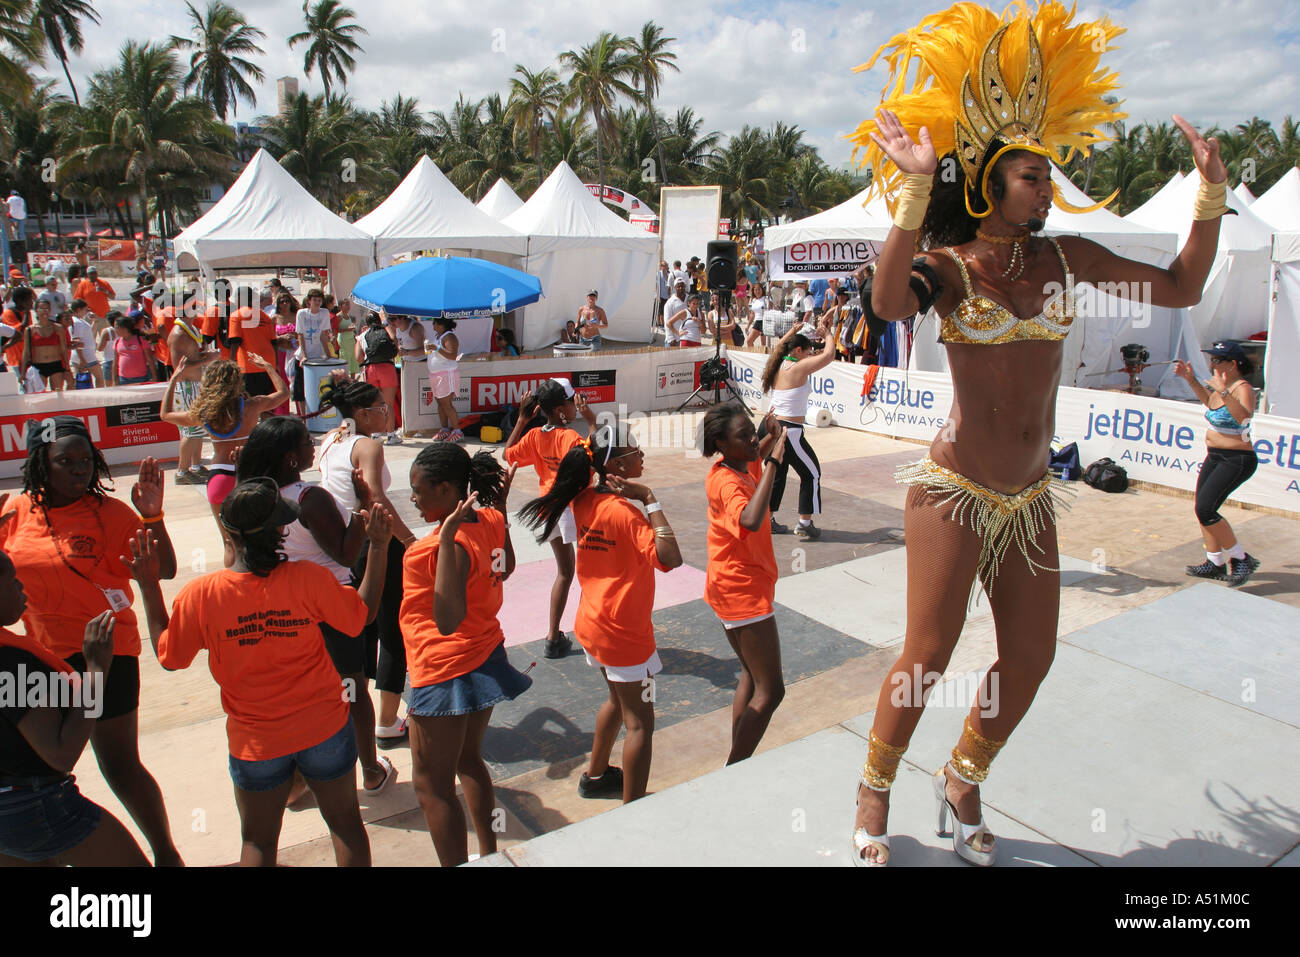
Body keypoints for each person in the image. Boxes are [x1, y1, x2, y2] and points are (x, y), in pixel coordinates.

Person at [848, 2, 1225, 866]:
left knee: (1032, 654)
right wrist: (911, 189)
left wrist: (1210, 193)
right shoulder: (946, 269)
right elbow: (881, 298)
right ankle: (874, 784)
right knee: (929, 654)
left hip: (1028, 498)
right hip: (953, 493)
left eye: (1046, 174)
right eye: (1028, 175)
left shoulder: (1069, 260)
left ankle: (964, 773)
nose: (1044, 186)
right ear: (988, 184)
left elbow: (1181, 285)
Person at [127, 478, 394, 867]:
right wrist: (381, 548)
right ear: (282, 531)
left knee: (258, 841)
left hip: (256, 742)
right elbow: (362, 616)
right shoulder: (309, 579)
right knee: (345, 826)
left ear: (228, 531)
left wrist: (150, 586)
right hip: (324, 729)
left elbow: (170, 657)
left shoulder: (203, 594)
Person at [0, 418, 182, 865]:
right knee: (44, 768)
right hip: (40, 658)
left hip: (105, 652)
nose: (80, 470)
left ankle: (165, 854)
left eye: (86, 460)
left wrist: (152, 516)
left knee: (118, 764)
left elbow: (165, 569)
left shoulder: (111, 513)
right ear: (40, 462)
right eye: (66, 461)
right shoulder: (14, 511)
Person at [520, 424, 682, 802]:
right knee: (640, 723)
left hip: (592, 624)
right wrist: (650, 499)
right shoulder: (625, 513)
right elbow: (670, 557)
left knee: (615, 700)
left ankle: (595, 777)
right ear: (618, 468)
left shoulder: (584, 500)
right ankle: (633, 805)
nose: (641, 454)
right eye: (634, 451)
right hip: (623, 633)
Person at [235, 416, 398, 792]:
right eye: (307, 442)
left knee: (299, 694)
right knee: (351, 688)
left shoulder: (250, 494)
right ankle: (371, 770)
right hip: (328, 604)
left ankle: (293, 780)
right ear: (292, 457)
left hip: (279, 606)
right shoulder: (309, 498)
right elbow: (343, 555)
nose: (314, 447)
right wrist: (360, 514)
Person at [400, 443, 532, 865]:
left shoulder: (437, 546)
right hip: (485, 654)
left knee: (431, 786)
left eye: (418, 490)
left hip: (442, 669)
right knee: (469, 760)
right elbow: (505, 566)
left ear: (447, 489)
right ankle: (488, 854)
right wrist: (503, 509)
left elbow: (445, 620)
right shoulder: (491, 518)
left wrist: (444, 541)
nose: (413, 498)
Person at [0, 557, 148, 865]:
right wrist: (96, 669)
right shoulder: (12, 665)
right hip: (35, 806)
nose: (21, 587)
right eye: (12, 581)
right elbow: (60, 752)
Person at [317, 377, 420, 752]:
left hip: (345, 543)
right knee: (395, 632)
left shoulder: (331, 439)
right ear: (362, 413)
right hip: (377, 539)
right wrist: (408, 540)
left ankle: (354, 709)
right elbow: (376, 497)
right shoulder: (368, 447)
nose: (387, 411)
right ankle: (388, 721)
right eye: (380, 407)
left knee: (361, 625)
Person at [700, 404, 786, 764]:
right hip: (740, 592)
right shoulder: (725, 481)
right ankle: (736, 765)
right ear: (721, 442)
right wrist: (775, 463)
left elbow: (757, 452)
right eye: (743, 435)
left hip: (733, 586)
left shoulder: (738, 465)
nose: (753, 440)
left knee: (751, 675)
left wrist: (772, 435)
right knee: (772, 691)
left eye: (752, 430)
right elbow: (750, 518)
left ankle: (737, 756)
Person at [160, 356, 288, 560]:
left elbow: (165, 414)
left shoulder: (203, 414)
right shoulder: (251, 406)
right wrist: (268, 367)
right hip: (248, 476)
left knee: (229, 545)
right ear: (238, 381)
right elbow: (283, 394)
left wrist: (174, 379)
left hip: (219, 479)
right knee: (261, 541)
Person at [504, 378, 597, 658]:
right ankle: (592, 630)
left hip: (549, 510)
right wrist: (591, 422)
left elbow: (509, 455)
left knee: (565, 572)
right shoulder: (570, 438)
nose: (574, 405)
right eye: (571, 402)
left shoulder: (534, 436)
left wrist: (521, 420)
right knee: (591, 573)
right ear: (560, 410)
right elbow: (594, 460)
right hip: (573, 509)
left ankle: (553, 636)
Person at [1175, 341, 1260, 586]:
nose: (1212, 364)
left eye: (1218, 360)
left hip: (1237, 459)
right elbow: (1210, 404)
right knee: (1202, 510)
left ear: (1233, 364)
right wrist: (1191, 380)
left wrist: (1223, 390)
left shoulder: (1241, 387)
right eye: (1211, 360)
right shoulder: (1221, 388)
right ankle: (1215, 562)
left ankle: (1241, 558)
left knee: (1207, 509)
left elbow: (1243, 416)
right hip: (1215, 456)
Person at [761, 320, 835, 540]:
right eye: (808, 351)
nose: (811, 355)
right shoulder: (798, 366)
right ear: (798, 350)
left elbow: (779, 346)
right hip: (787, 431)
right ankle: (805, 522)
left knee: (778, 474)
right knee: (811, 473)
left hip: (770, 428)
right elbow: (829, 355)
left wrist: (793, 330)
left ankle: (768, 519)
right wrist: (828, 334)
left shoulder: (779, 361)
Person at [167, 307, 216, 483]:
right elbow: (179, 369)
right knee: (190, 429)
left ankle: (195, 465)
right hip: (186, 385)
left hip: (194, 384)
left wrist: (205, 356)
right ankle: (182, 471)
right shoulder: (179, 334)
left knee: (197, 428)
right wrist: (207, 359)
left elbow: (192, 359)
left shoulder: (190, 330)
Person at [355, 312, 402, 444]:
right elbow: (395, 342)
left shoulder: (363, 335)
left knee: (373, 404)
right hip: (387, 367)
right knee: (388, 404)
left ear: (366, 323)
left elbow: (358, 357)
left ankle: (375, 434)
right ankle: (391, 435)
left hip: (371, 370)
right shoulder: (386, 331)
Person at [226, 286, 278, 397]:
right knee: (267, 405)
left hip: (249, 366)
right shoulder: (264, 316)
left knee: (248, 406)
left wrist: (230, 365)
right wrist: (276, 365)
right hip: (268, 364)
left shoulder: (236, 316)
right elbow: (274, 343)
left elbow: (235, 342)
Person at [295, 288, 334, 413]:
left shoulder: (324, 313)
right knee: (300, 390)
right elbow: (300, 335)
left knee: (317, 387)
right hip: (303, 355)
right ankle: (303, 418)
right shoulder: (302, 314)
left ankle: (317, 413)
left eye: (319, 300)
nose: (317, 302)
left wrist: (329, 355)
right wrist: (304, 355)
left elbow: (324, 335)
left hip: (318, 355)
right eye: (314, 300)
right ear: (309, 301)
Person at [21, 298, 71, 391]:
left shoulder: (58, 328)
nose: (45, 311)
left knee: (58, 394)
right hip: (38, 366)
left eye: (47, 309)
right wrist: (23, 372)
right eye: (41, 309)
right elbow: (26, 352)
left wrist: (67, 368)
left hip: (55, 364)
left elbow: (64, 349)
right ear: (36, 310)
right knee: (40, 395)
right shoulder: (30, 330)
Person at [426, 316, 461, 443]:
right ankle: (445, 429)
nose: (433, 324)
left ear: (441, 325)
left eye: (434, 322)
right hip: (436, 374)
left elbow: (452, 355)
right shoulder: (437, 337)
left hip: (446, 373)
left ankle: (457, 431)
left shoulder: (449, 337)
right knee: (440, 403)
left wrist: (437, 349)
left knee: (446, 404)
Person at [271, 291, 299, 416]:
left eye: (287, 300)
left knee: (297, 381)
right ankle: (282, 412)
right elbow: (271, 337)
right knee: (283, 382)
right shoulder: (274, 318)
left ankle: (300, 411)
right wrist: (282, 337)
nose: (285, 303)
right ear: (278, 304)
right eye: (282, 301)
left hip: (295, 351)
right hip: (280, 351)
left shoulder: (297, 315)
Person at [60, 307, 101, 389]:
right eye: (86, 310)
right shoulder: (77, 323)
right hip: (86, 356)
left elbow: (87, 334)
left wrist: (95, 322)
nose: (87, 312)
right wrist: (82, 360)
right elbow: (76, 342)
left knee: (75, 380)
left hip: (80, 356)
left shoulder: (80, 321)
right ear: (79, 310)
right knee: (99, 377)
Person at [109, 312, 155, 385]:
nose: (115, 330)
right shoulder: (117, 342)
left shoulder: (141, 340)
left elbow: (150, 360)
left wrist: (154, 377)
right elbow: (115, 363)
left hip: (141, 378)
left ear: (125, 328)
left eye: (116, 327)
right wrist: (115, 380)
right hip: (123, 379)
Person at [2, 285, 31, 372]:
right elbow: (20, 331)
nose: (31, 301)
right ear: (20, 301)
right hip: (15, 354)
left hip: (26, 353)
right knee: (22, 383)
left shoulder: (26, 313)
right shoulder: (8, 314)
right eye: (28, 299)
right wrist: (26, 313)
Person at [663, 279, 687, 348]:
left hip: (686, 338)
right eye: (678, 286)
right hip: (674, 339)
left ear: (685, 286)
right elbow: (667, 321)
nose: (680, 288)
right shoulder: (670, 302)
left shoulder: (689, 299)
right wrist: (671, 338)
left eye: (682, 286)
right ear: (674, 288)